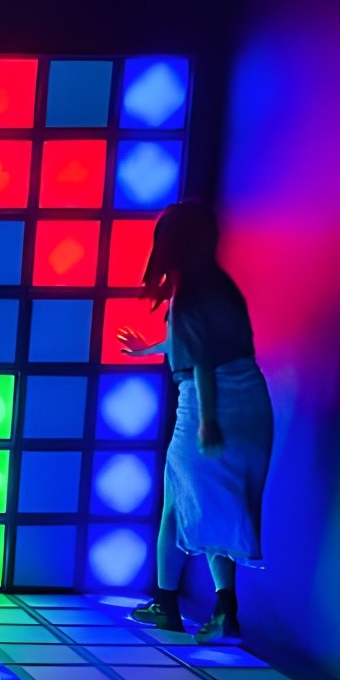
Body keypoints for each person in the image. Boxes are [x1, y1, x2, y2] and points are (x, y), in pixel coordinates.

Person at [117, 200, 272, 643]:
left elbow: (201, 356)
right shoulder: (219, 284)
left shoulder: (188, 289)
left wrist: (207, 422)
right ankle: (226, 608)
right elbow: (196, 340)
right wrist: (148, 348)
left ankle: (165, 605)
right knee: (219, 503)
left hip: (208, 405)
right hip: (251, 402)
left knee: (176, 505)